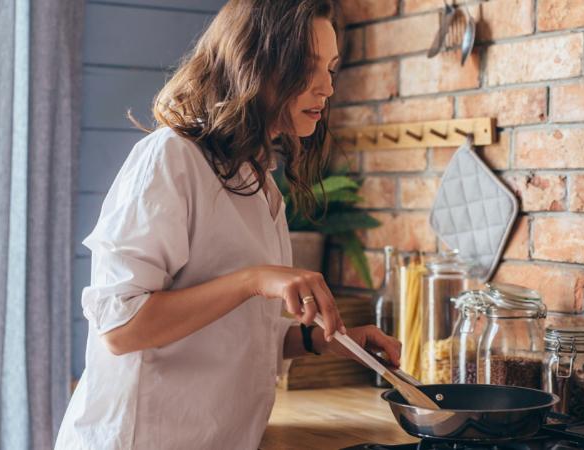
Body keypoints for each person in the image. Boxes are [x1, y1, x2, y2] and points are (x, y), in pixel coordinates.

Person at [54, 1, 402, 448]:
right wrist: (253, 280)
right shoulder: (171, 158)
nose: (327, 87)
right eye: (307, 67)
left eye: (331, 69)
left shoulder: (257, 180)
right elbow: (122, 329)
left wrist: (325, 341)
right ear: (252, 65)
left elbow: (237, 333)